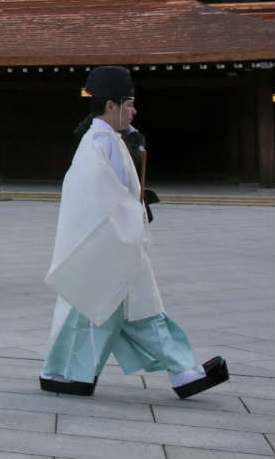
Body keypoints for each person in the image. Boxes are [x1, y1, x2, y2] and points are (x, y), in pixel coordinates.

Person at [41, 66, 228, 400]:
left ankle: (68, 373)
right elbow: (103, 198)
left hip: (110, 246)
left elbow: (109, 194)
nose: (134, 110)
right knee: (129, 312)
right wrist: (135, 210)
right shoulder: (100, 142)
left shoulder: (103, 141)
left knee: (118, 311)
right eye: (129, 104)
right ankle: (179, 371)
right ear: (110, 105)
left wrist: (136, 204)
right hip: (110, 245)